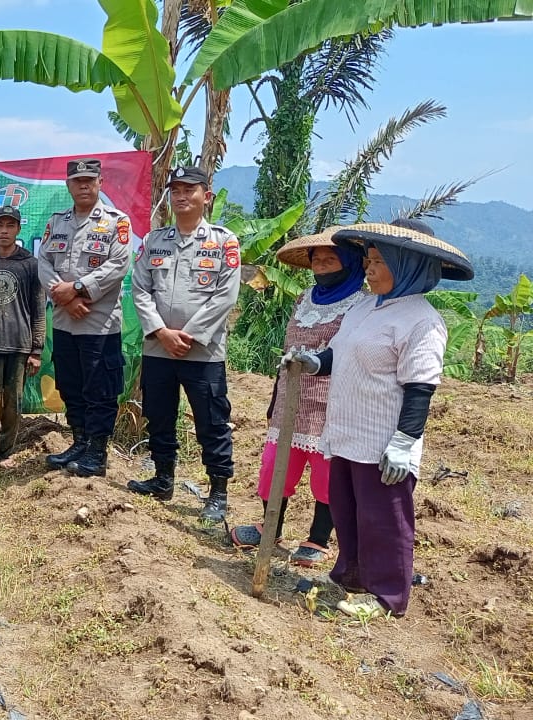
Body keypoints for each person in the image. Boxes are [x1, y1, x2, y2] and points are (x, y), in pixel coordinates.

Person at [283, 218, 469, 618]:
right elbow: (340, 352)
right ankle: (352, 577)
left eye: (379, 260)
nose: (368, 266)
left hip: (384, 438)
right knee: (349, 512)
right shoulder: (366, 306)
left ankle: (387, 596)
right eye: (367, 258)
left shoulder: (420, 320)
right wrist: (314, 362)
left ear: (408, 266)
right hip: (346, 429)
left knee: (384, 519)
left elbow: (421, 387)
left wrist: (404, 443)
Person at [228, 228, 367, 567]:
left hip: (332, 403)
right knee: (276, 466)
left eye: (330, 258)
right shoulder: (303, 299)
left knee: (326, 475)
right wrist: (276, 398)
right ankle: (269, 527)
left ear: (349, 263)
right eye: (316, 259)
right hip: (291, 396)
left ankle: (318, 539)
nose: (321, 264)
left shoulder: (360, 305)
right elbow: (288, 351)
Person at [128, 166, 241, 524]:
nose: (180, 196)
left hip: (202, 352)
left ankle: (218, 492)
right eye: (175, 189)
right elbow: (140, 288)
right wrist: (161, 332)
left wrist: (188, 335)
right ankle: (163, 479)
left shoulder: (224, 242)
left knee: (211, 420)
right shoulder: (154, 241)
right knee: (159, 415)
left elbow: (225, 296)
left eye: (189, 189)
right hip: (159, 349)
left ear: (206, 196)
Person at [37, 158, 132, 477]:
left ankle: (97, 452)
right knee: (70, 385)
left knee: (100, 389)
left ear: (100, 183)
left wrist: (77, 290)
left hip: (98, 324)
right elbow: (44, 262)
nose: (84, 186)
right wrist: (61, 294)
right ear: (69, 186)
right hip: (65, 322)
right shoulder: (57, 223)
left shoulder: (117, 222)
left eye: (90, 180)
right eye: (78, 181)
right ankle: (79, 441)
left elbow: (118, 265)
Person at [0, 205, 45, 465]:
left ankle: (6, 451)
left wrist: (36, 350)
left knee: (12, 402)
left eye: (10, 226)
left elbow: (39, 309)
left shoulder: (30, 264)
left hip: (19, 345)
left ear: (18, 229)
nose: (4, 231)